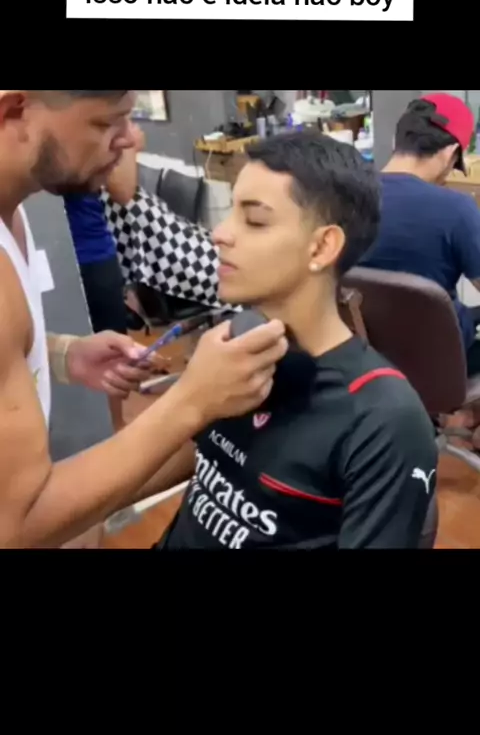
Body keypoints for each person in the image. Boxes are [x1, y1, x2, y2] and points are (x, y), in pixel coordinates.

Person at [119, 131, 438, 550]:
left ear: (322, 247)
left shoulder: (382, 421)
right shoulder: (234, 350)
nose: (219, 233)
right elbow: (199, 456)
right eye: (230, 213)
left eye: (254, 220)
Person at [0, 89, 288, 549]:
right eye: (105, 123)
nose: (132, 139)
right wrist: (192, 402)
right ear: (14, 110)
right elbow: (15, 526)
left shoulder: (13, 214)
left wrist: (63, 354)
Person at [359, 93, 480, 375]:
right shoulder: (456, 208)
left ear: (396, 141)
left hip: (364, 359)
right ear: (450, 153)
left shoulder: (344, 198)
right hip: (439, 363)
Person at [64, 121, 145, 431]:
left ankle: (113, 429)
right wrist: (131, 145)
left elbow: (121, 189)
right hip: (74, 255)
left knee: (107, 356)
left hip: (90, 254)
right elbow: (123, 189)